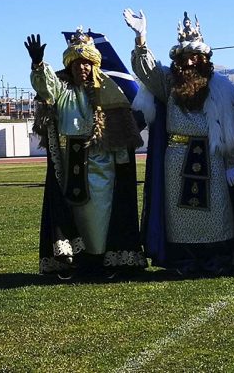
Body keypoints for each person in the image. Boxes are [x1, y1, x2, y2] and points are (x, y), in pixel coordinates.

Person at [124, 9, 234, 275]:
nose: (191, 62)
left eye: (197, 56)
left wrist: (230, 162)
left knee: (217, 209)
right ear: (178, 59)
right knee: (179, 214)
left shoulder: (220, 87)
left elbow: (229, 127)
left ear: (205, 59)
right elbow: (145, 71)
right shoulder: (168, 83)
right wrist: (141, 39)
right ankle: (184, 260)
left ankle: (217, 258)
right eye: (186, 57)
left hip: (213, 157)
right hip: (177, 157)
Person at [26, 28, 146, 279]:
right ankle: (76, 262)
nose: (82, 68)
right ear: (70, 66)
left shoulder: (109, 91)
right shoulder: (62, 90)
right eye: (77, 63)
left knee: (101, 218)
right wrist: (38, 64)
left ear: (94, 66)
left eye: (87, 63)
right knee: (73, 214)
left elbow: (121, 131)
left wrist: (121, 164)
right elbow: (45, 86)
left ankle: (105, 261)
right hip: (70, 165)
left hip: (102, 167)